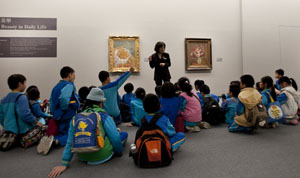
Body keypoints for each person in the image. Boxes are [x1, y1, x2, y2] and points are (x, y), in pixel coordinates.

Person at [48, 88, 128, 178]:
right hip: (103, 155)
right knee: (123, 135)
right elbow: (115, 138)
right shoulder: (104, 116)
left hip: (82, 156)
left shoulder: (76, 118)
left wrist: (64, 163)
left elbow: (70, 142)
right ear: (101, 103)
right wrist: (119, 153)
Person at [38, 66, 79, 154]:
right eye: (73, 74)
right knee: (71, 133)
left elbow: (51, 101)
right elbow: (64, 99)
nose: (74, 76)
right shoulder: (69, 85)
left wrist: (55, 113)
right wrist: (64, 109)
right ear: (69, 74)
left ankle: (50, 139)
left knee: (62, 130)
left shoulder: (56, 86)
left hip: (58, 114)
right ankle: (55, 141)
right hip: (67, 112)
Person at [0, 74, 42, 143]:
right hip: (22, 133)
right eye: (25, 83)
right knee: (43, 127)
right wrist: (36, 122)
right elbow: (25, 114)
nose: (25, 85)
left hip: (9, 133)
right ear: (20, 84)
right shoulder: (21, 97)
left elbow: (1, 116)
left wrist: (7, 127)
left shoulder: (3, 99)